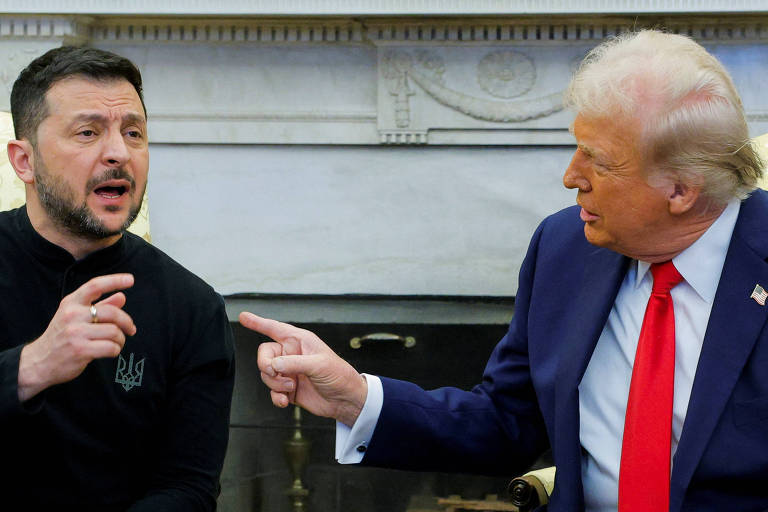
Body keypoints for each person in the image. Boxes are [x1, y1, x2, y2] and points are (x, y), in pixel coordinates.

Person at [241, 30, 767, 511]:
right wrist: (355, 397)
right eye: (575, 147)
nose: (570, 177)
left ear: (680, 189)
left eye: (598, 162)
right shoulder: (565, 249)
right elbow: (507, 421)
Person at [1, 46, 235, 510]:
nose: (118, 153)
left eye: (134, 133)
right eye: (88, 132)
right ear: (24, 161)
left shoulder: (192, 306)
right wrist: (31, 368)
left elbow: (189, 487)